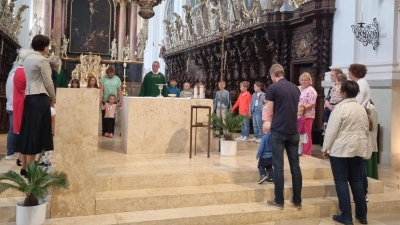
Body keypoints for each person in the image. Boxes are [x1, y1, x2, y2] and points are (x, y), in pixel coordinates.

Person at [321, 80, 369, 225]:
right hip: (358, 149)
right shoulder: (361, 108)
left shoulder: (340, 109)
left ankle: (346, 217)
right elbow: (365, 130)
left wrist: (325, 148)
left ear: (343, 93)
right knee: (356, 180)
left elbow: (331, 131)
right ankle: (362, 215)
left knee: (341, 181)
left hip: (341, 150)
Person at [17, 35, 56, 178]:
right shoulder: (42, 60)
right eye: (48, 46)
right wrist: (53, 97)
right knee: (35, 134)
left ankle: (25, 167)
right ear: (45, 46)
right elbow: (48, 82)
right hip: (40, 97)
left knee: (28, 132)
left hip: (29, 97)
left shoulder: (27, 59)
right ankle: (32, 170)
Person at [264, 64, 302, 210]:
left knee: (278, 166)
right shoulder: (295, 88)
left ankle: (279, 201)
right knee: (295, 166)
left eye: (271, 76)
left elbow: (271, 111)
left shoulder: (273, 88)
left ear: (273, 74)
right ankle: (297, 200)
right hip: (293, 131)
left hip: (279, 130)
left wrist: (268, 123)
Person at [12, 49, 32, 166]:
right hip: (23, 103)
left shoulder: (19, 71)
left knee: (23, 132)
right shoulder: (22, 71)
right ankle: (21, 159)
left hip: (21, 102)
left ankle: (22, 158)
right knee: (23, 132)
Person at [298, 72, 317, 156]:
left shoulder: (311, 90)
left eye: (305, 80)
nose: (303, 81)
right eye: (302, 80)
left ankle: (307, 152)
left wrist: (302, 109)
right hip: (297, 115)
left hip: (307, 115)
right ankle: (300, 150)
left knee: (306, 134)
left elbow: (312, 104)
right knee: (299, 133)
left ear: (309, 81)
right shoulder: (297, 88)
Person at [100, 66, 122, 136]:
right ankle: (105, 131)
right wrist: (100, 100)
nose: (111, 74)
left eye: (112, 73)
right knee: (105, 116)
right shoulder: (103, 79)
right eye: (110, 73)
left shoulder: (117, 79)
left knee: (112, 117)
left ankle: (111, 132)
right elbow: (101, 90)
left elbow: (119, 90)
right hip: (105, 100)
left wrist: (121, 99)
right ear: (107, 72)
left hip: (113, 101)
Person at [5, 64, 19, 160]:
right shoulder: (16, 75)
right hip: (14, 106)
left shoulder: (11, 75)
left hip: (10, 105)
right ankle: (10, 152)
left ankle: (13, 150)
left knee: (13, 129)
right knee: (13, 130)